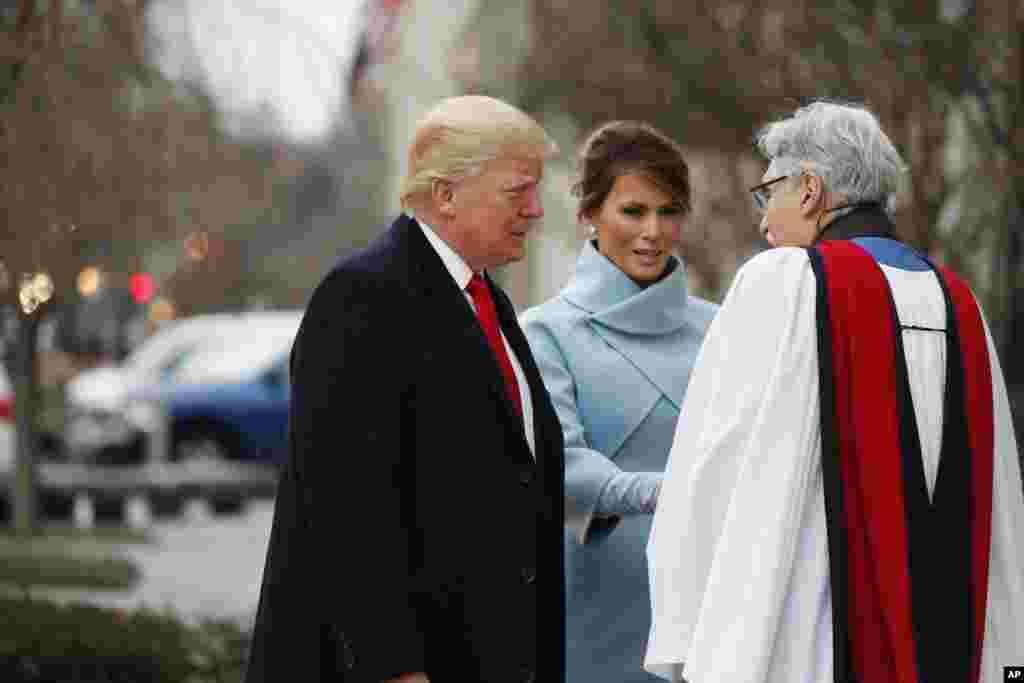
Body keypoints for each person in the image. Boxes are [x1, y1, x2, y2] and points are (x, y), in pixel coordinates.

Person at [644, 100, 1024, 683]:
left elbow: (713, 467)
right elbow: (999, 501)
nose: (764, 220)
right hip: (949, 642)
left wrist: (690, 627)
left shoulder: (785, 282)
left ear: (811, 190)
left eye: (767, 192)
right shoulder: (959, 301)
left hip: (809, 639)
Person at [244, 95, 567, 683]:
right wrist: (394, 668)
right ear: (444, 194)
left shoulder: (487, 300)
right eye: (518, 191)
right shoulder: (363, 297)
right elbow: (345, 503)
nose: (536, 210)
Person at [521, 121, 719, 682]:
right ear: (588, 215)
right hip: (592, 608)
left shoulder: (723, 328)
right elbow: (564, 464)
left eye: (669, 211)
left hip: (705, 609)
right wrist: (669, 491)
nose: (653, 231)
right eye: (633, 211)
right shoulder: (544, 333)